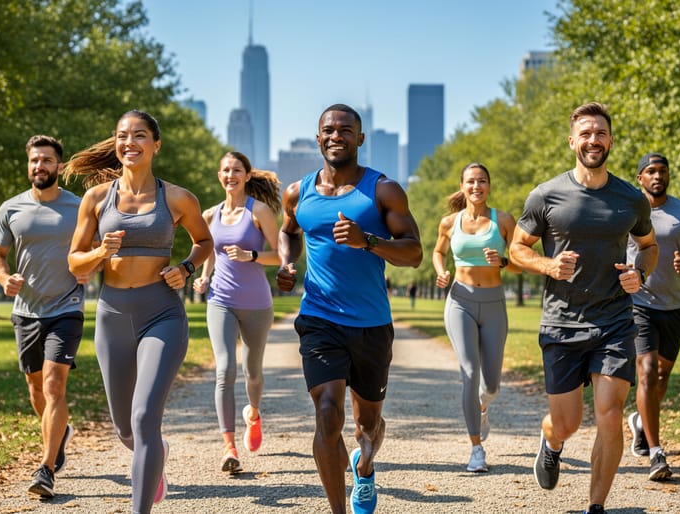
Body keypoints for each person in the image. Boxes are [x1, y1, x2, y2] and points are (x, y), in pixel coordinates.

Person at [508, 102, 658, 514]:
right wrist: (548, 265)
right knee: (568, 422)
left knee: (610, 415)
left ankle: (596, 507)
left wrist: (639, 274)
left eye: (601, 133)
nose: (594, 140)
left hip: (613, 321)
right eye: (586, 133)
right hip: (562, 323)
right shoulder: (546, 194)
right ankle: (552, 441)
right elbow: (516, 248)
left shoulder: (631, 198)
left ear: (611, 140)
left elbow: (648, 247)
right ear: (573, 140)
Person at [276, 104, 422, 514]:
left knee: (367, 426)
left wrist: (368, 241)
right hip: (319, 317)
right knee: (327, 414)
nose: (336, 135)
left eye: (346, 130)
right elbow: (289, 232)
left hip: (371, 323)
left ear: (360, 139)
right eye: (328, 130)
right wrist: (288, 264)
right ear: (318, 137)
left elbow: (414, 253)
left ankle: (366, 463)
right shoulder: (297, 192)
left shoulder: (383, 189)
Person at [65, 110, 212, 513]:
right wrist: (100, 251)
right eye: (123, 136)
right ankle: (155, 454)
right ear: (115, 144)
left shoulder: (179, 198)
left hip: (161, 313)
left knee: (145, 415)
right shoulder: (96, 199)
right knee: (125, 428)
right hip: (112, 314)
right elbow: (75, 263)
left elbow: (204, 241)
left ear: (155, 145)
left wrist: (185, 268)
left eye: (140, 136)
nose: (130, 143)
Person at [0, 135, 89, 498]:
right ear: (28, 164)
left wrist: (89, 267)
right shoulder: (10, 209)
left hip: (66, 307)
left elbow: (93, 250)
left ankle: (46, 468)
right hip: (26, 312)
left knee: (53, 384)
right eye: (34, 160)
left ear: (58, 166)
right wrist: (4, 278)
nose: (39, 166)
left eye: (46, 160)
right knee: (35, 389)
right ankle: (60, 433)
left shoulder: (78, 207)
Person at [193, 151, 281, 473]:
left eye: (237, 170)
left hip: (257, 303)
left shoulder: (258, 212)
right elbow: (210, 252)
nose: (231, 175)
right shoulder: (209, 215)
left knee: (252, 372)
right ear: (220, 176)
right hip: (221, 300)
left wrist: (251, 255)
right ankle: (229, 447)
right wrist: (204, 277)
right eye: (226, 170)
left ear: (246, 175)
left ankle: (253, 414)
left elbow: (279, 256)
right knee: (225, 368)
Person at [626, 153, 680, 481]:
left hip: (674, 306)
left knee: (661, 378)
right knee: (646, 371)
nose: (657, 176)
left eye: (662, 170)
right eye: (650, 171)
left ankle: (639, 421)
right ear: (640, 178)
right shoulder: (629, 211)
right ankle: (657, 452)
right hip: (638, 303)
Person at [432, 162, 520, 473]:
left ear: (489, 186)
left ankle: (483, 406)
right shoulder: (449, 222)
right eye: (471, 181)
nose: (476, 186)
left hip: (494, 303)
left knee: (491, 384)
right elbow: (438, 252)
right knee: (469, 372)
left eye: (482, 181)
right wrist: (442, 272)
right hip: (460, 301)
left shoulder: (505, 221)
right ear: (463, 186)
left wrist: (504, 261)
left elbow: (521, 262)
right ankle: (476, 449)